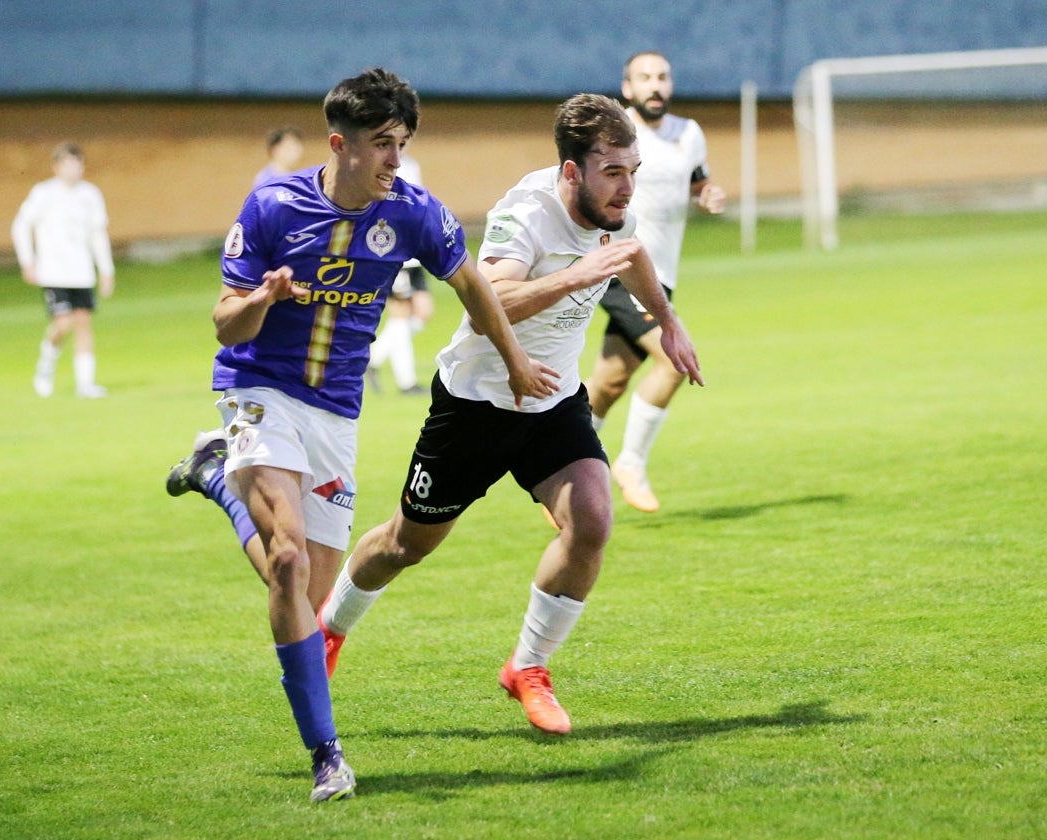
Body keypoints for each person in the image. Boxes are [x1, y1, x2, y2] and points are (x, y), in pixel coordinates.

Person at [165, 68, 557, 803]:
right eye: (382, 144)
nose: (395, 160)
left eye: (402, 143)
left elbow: (473, 284)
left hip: (335, 416)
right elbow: (224, 321)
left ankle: (218, 480)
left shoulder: (412, 211)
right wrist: (262, 297)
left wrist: (514, 363)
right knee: (285, 563)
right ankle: (327, 757)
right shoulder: (273, 204)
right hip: (258, 392)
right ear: (339, 144)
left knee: (306, 601)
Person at [316, 93, 703, 736]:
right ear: (572, 170)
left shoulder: (614, 208)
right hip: (476, 405)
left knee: (592, 521)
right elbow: (486, 304)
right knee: (405, 545)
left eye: (633, 169)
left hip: (552, 403)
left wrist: (669, 324)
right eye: (613, 171)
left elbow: (630, 255)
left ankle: (528, 667)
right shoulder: (526, 211)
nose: (627, 186)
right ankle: (329, 629)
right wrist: (577, 276)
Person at [584, 51, 726, 512]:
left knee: (609, 381)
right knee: (673, 362)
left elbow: (697, 183)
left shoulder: (690, 134)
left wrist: (708, 195)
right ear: (628, 88)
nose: (655, 85)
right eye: (644, 78)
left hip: (660, 275)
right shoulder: (613, 135)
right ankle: (630, 463)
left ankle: (560, 472)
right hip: (616, 266)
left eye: (662, 76)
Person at [11, 141, 115, 399]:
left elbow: (97, 234)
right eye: (68, 164)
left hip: (82, 272)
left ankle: (85, 383)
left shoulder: (90, 194)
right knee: (63, 323)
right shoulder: (43, 193)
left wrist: (106, 269)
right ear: (56, 166)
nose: (74, 170)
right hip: (54, 271)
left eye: (78, 164)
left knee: (83, 322)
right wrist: (28, 261)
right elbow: (21, 226)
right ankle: (45, 366)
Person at [366, 153, 434, 394]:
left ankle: (374, 358)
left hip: (415, 252)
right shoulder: (376, 166)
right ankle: (407, 382)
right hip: (397, 253)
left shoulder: (411, 164)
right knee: (401, 315)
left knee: (422, 312)